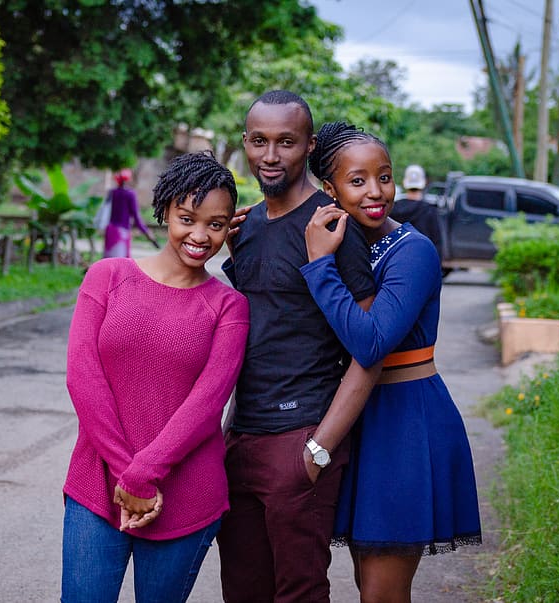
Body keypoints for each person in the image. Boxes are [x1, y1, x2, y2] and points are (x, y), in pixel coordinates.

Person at [301, 122, 482, 603]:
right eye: (357, 180)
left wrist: (319, 265)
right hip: (358, 417)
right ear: (329, 189)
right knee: (367, 582)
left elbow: (372, 341)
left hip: (406, 420)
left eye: (384, 176)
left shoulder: (413, 251)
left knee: (382, 591)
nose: (376, 191)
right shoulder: (345, 242)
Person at [61, 151, 250, 603]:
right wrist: (132, 478)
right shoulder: (107, 276)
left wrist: (141, 476)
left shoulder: (229, 308)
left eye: (217, 224)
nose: (200, 235)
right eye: (188, 218)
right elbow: (82, 379)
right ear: (165, 210)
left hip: (187, 497)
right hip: (96, 487)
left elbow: (207, 406)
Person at [216, 90, 380, 603]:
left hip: (300, 435)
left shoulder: (331, 225)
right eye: (259, 141)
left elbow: (368, 347)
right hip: (241, 438)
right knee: (242, 590)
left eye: (285, 142)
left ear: (308, 146)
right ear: (244, 143)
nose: (270, 156)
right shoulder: (245, 228)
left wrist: (320, 447)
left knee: (299, 592)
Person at [389, 164, 444, 259]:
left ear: (404, 182)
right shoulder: (429, 210)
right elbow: (436, 242)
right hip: (422, 260)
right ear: (424, 182)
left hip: (397, 260)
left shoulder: (392, 209)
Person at [100, 168, 158, 258]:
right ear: (129, 180)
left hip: (110, 230)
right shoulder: (130, 194)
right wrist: (147, 233)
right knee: (121, 264)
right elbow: (136, 218)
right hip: (122, 233)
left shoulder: (112, 192)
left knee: (109, 262)